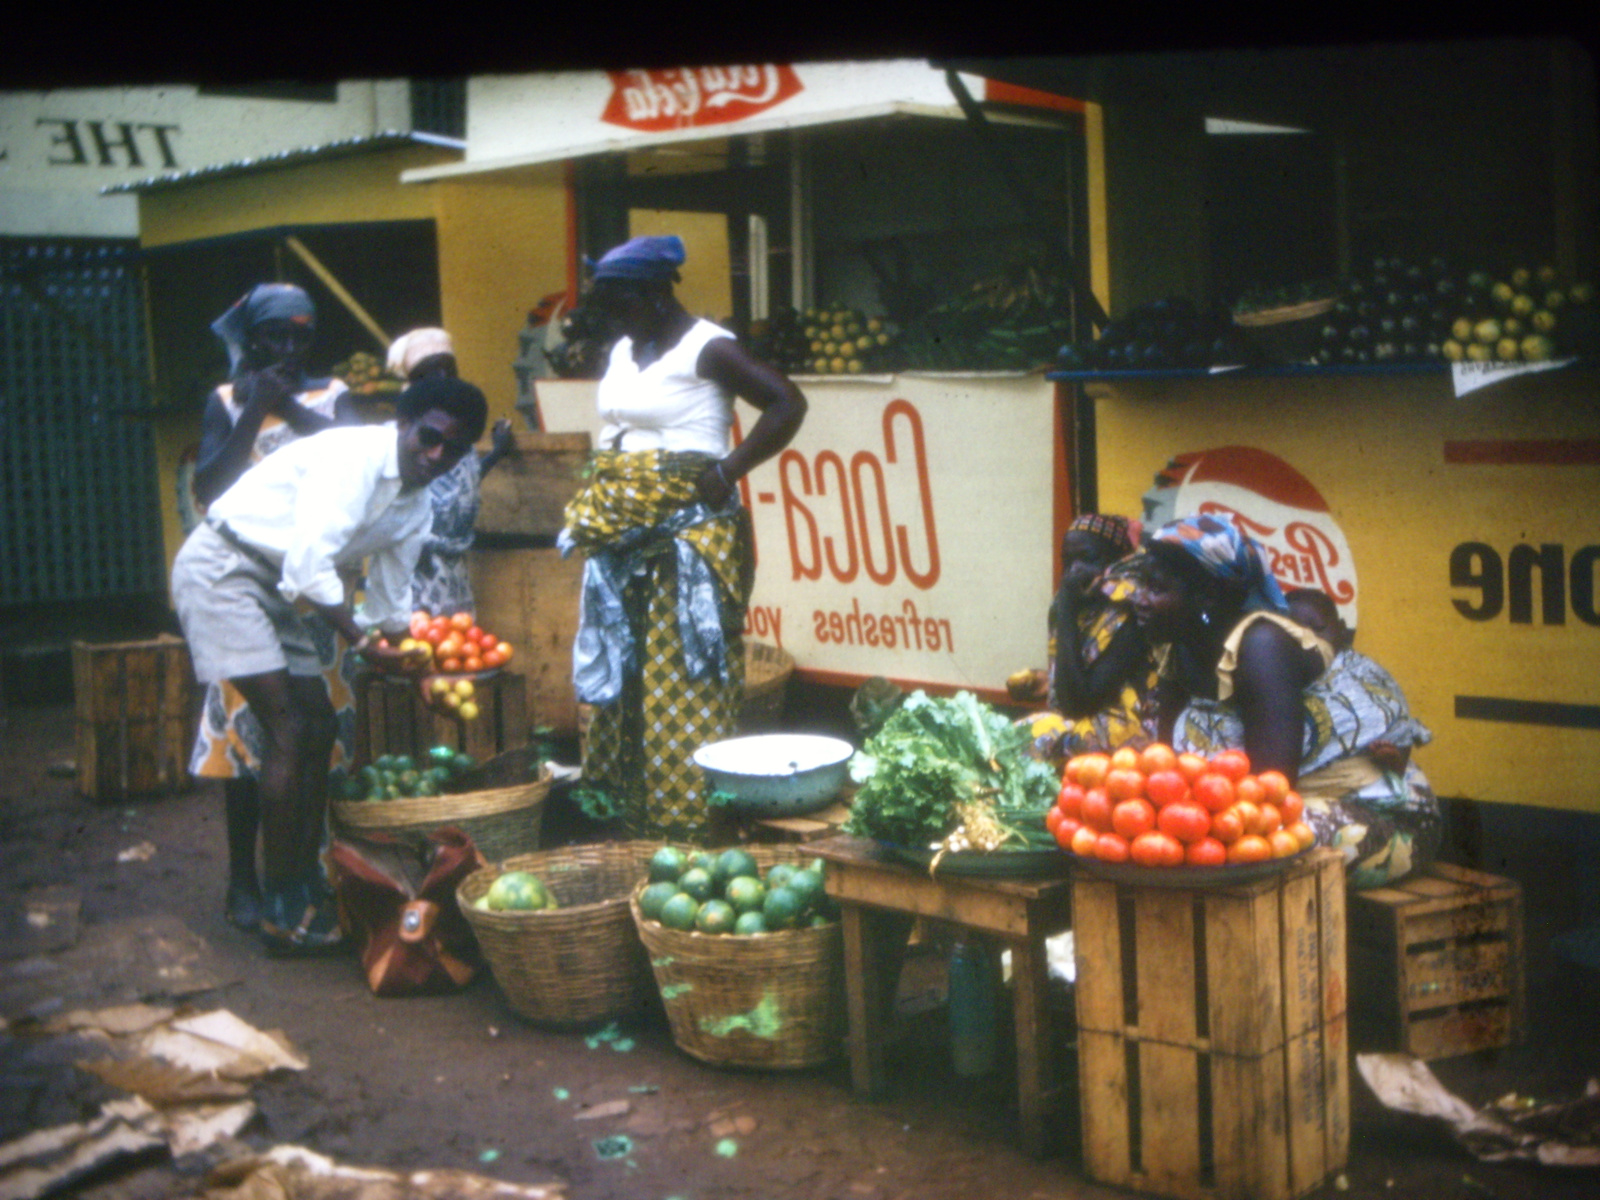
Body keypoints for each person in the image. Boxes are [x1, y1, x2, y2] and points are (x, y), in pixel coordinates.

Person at [171, 376, 489, 954]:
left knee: (317, 724)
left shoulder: (415, 504)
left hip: (275, 583)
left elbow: (393, 605)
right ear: (404, 422)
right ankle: (281, 907)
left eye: (456, 449)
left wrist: (423, 674)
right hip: (223, 569)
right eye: (430, 438)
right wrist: (366, 644)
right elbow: (310, 565)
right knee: (289, 726)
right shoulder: (353, 458)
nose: (437, 457)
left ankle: (299, 883)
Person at [558, 234, 807, 842]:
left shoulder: (708, 348)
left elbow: (786, 403)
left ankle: (693, 832)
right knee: (629, 683)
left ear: (655, 294)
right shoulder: (624, 347)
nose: (611, 316)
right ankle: (637, 830)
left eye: (620, 301)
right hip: (625, 546)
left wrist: (727, 470)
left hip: (688, 543)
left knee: (684, 689)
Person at [1132, 514, 1439, 886]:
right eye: (1139, 584)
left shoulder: (1263, 646)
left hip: (1378, 814)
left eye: (1156, 588)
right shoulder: (1177, 648)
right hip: (1253, 812)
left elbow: (1271, 795)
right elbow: (1167, 770)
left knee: (1223, 850)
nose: (1138, 598)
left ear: (1207, 596)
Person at [185, 284, 362, 934]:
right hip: (246, 592)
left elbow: (353, 461)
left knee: (319, 737)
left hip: (319, 598)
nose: (288, 348)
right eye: (274, 337)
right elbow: (209, 488)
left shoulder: (332, 395)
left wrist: (291, 407)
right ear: (252, 340)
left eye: (300, 336)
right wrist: (256, 411)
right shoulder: (229, 401)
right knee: (248, 741)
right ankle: (244, 879)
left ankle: (309, 871)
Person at [1282, 587, 1443, 887]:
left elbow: (1400, 751)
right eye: (1293, 631)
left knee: (1271, 836)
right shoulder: (1272, 674)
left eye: (1317, 628)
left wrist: (1392, 762)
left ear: (1342, 632)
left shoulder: (1365, 677)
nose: (1308, 640)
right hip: (1313, 801)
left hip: (1389, 816)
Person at [387, 328, 516, 619]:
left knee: (457, 646)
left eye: (448, 370)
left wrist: (495, 454)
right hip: (418, 568)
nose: (442, 380)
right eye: (429, 374)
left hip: (455, 566)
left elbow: (458, 481)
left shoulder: (457, 423)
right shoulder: (414, 434)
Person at [1048, 513, 1158, 752]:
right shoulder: (1081, 601)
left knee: (1034, 736)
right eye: (1067, 562)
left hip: (1132, 736)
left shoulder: (1131, 605)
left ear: (1119, 559)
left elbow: (1078, 703)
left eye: (1087, 558)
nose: (1074, 571)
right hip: (1090, 719)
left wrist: (1066, 609)